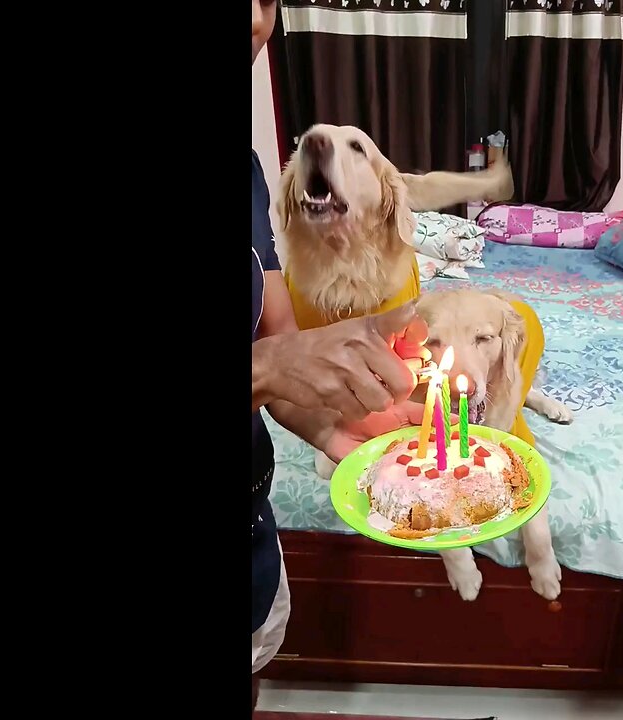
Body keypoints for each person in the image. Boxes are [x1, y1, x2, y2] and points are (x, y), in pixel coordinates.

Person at [250, 0, 435, 710]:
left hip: (255, 549)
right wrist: (268, 371)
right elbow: (270, 364)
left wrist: (334, 428)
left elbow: (277, 345)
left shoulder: (250, 175)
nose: (255, 20)